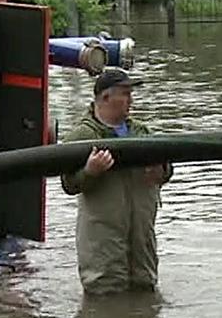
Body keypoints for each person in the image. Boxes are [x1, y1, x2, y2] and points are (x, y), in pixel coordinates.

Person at [60, 67, 172, 294]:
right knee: (105, 297)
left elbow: (167, 168)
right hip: (104, 241)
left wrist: (162, 171)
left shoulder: (141, 132)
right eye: (126, 93)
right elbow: (68, 184)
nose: (131, 100)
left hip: (142, 241)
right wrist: (91, 171)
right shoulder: (82, 136)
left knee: (145, 294)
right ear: (105, 97)